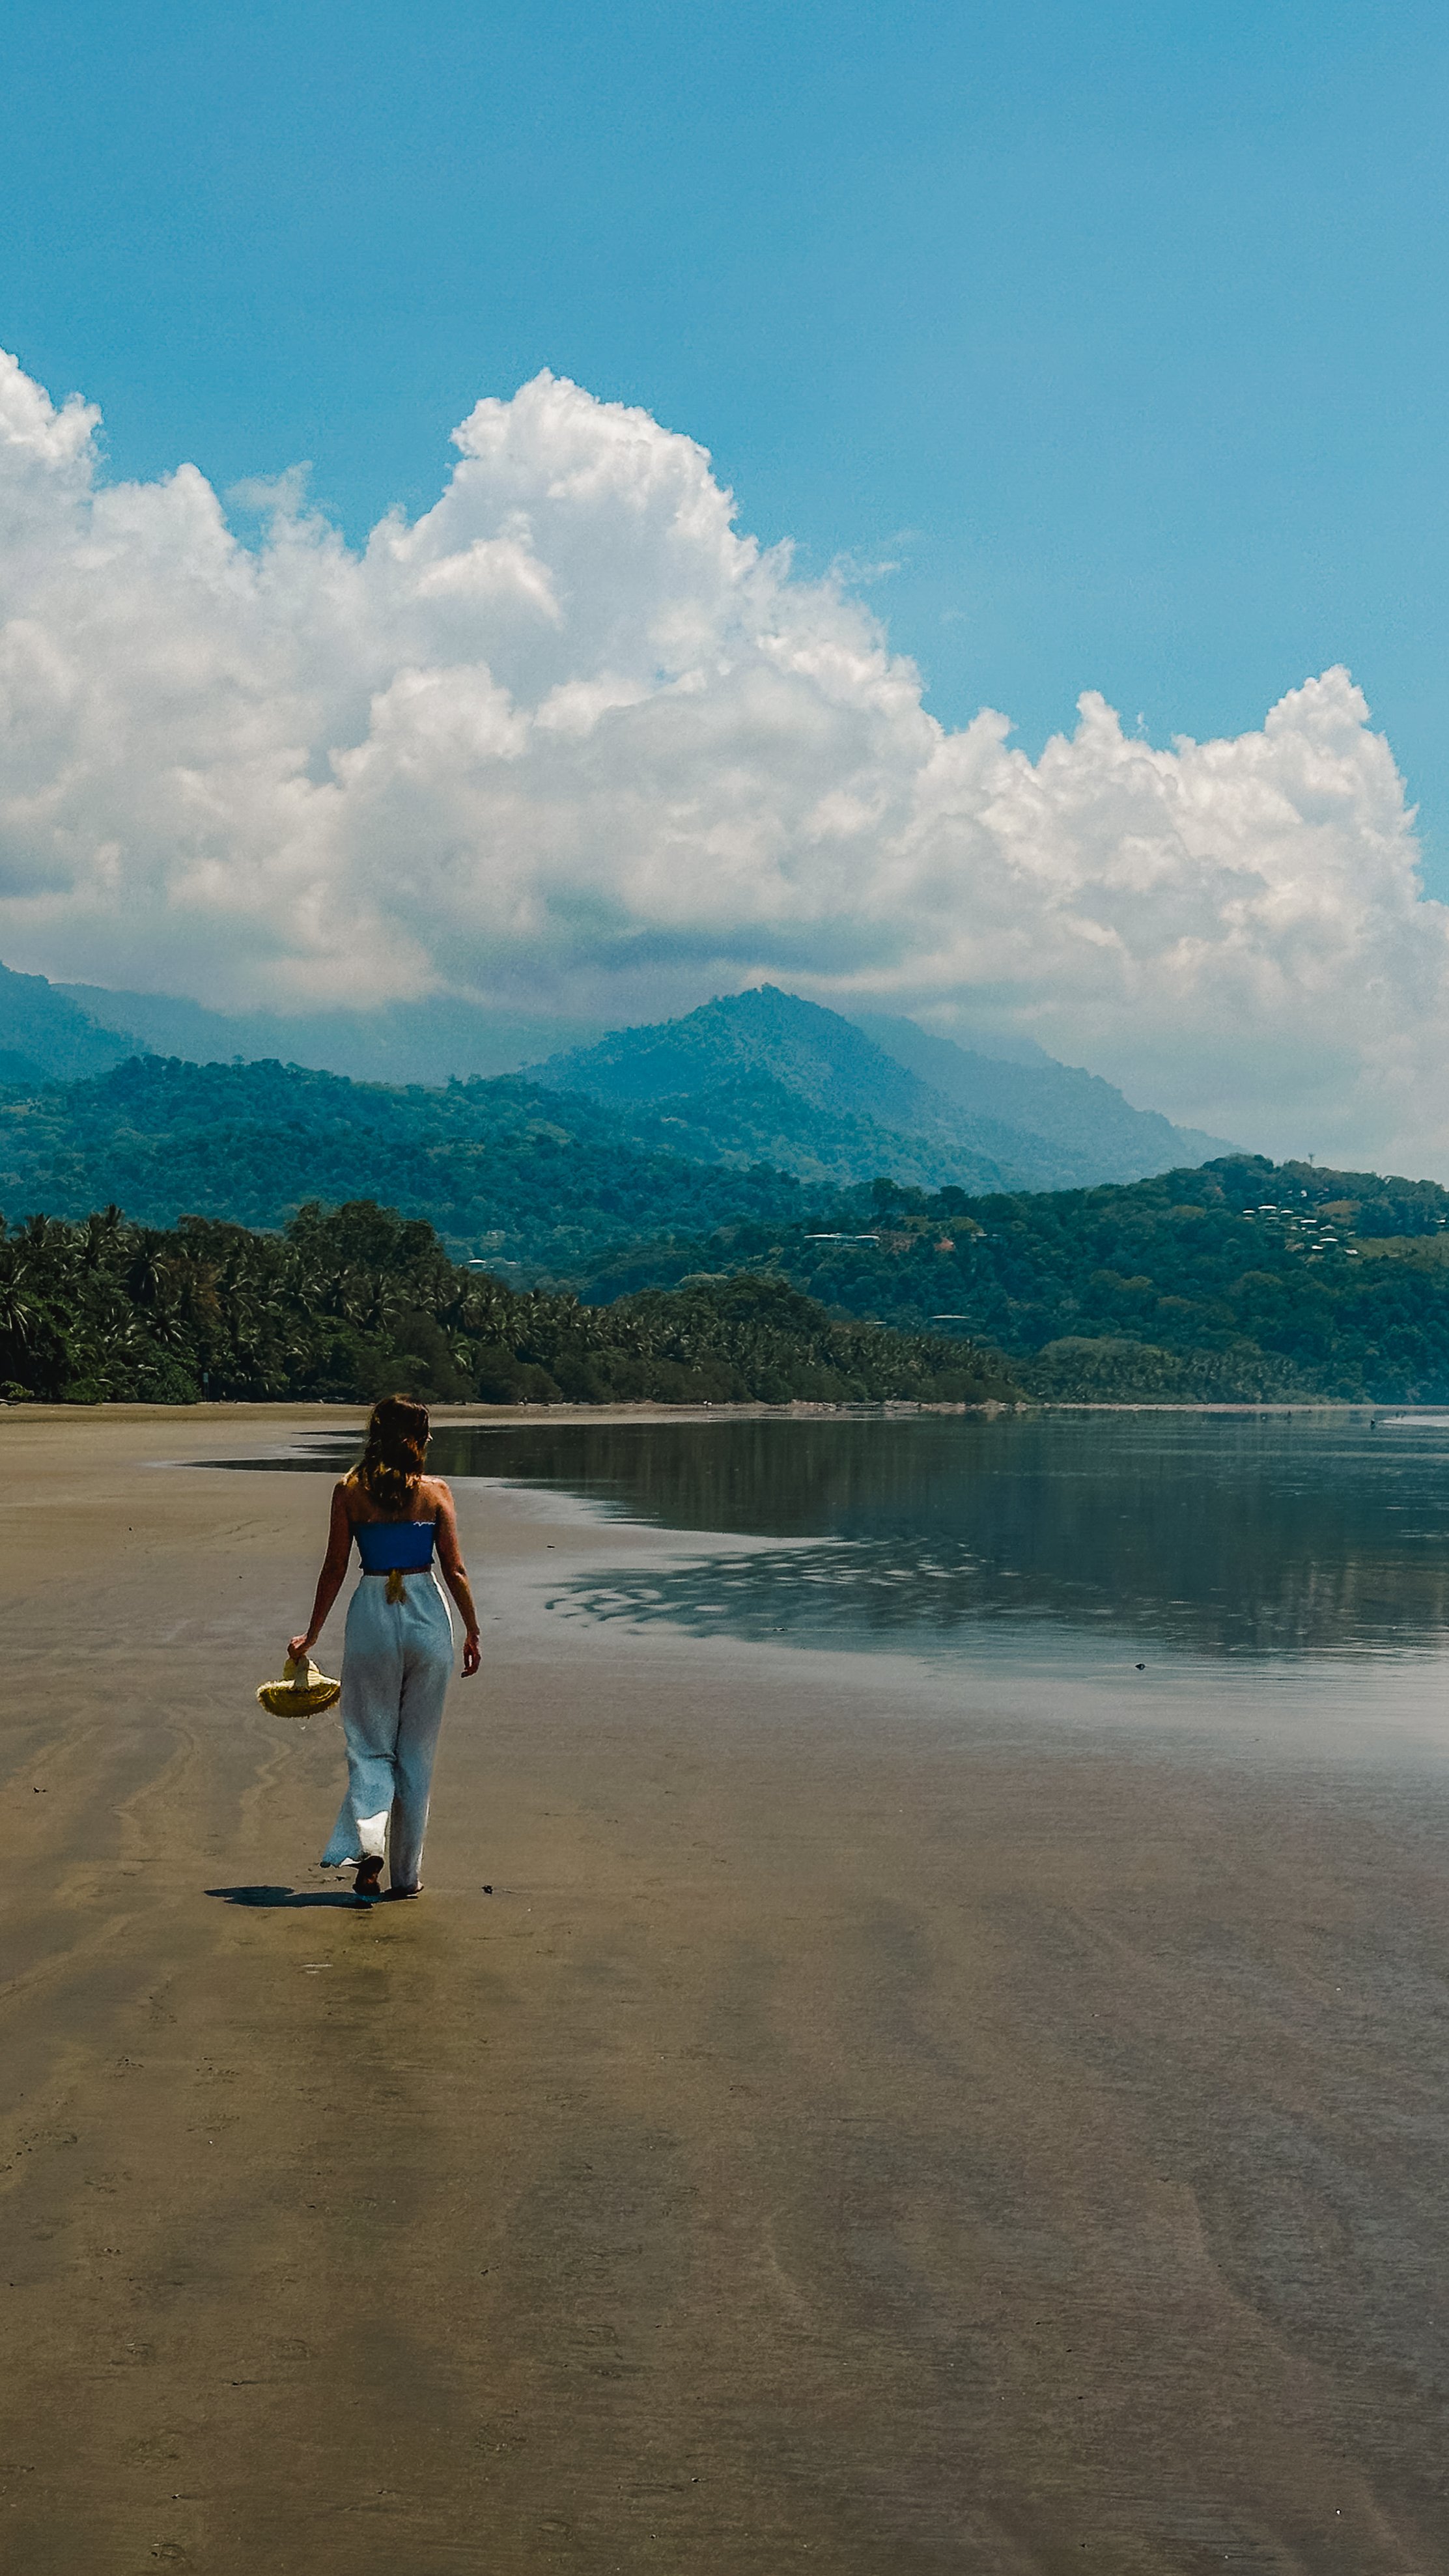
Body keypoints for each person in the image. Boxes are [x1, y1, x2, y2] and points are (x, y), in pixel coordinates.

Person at [289, 1394, 481, 1899]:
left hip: (372, 1613)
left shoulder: (349, 1491)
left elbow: (333, 1569)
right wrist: (472, 1631)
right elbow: (455, 1570)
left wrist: (311, 1635)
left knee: (370, 1744)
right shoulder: (437, 1493)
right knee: (416, 1753)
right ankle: (406, 1877)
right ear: (415, 1441)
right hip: (426, 1616)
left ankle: (369, 1844)